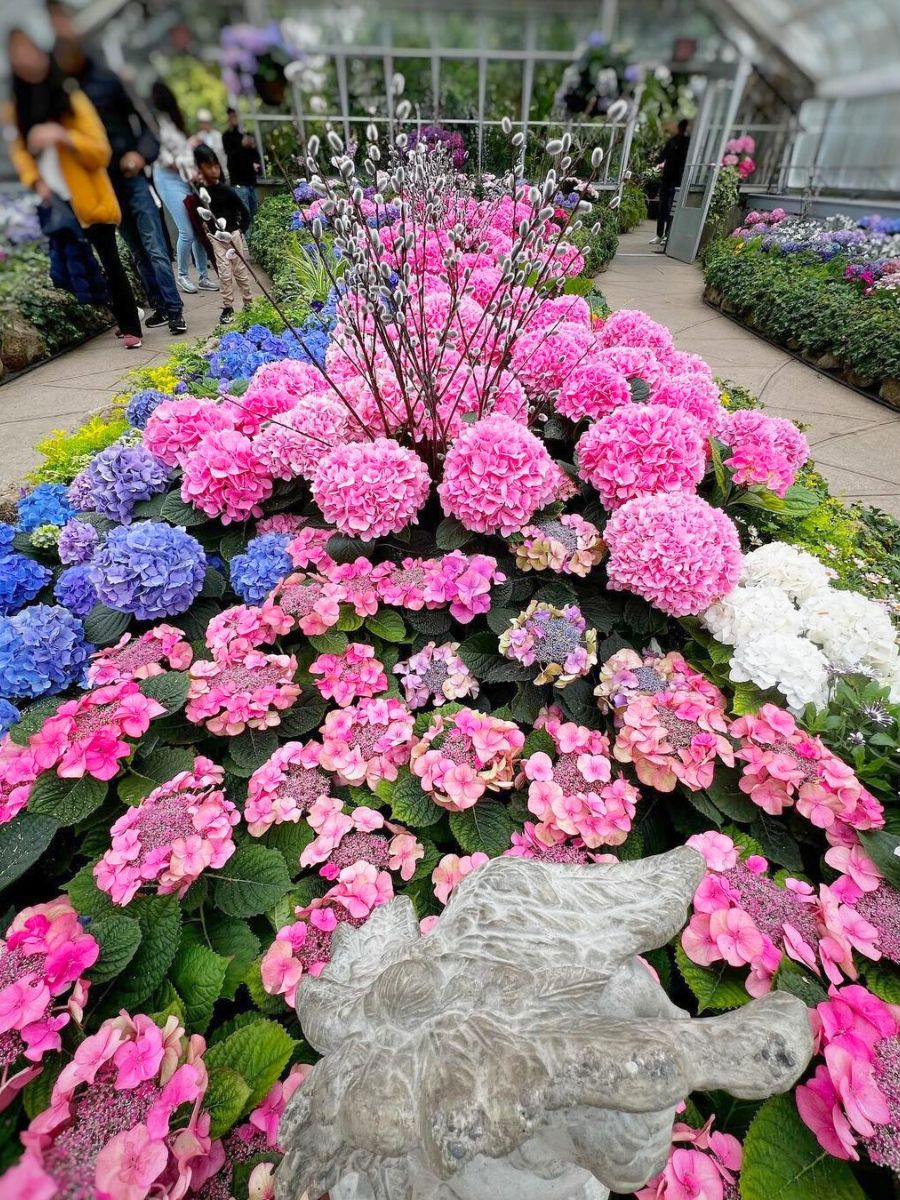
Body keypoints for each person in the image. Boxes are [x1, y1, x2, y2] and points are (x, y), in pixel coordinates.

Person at [48, 2, 186, 334]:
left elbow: (149, 126)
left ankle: (175, 309)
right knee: (136, 250)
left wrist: (140, 155)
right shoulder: (60, 90)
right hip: (101, 184)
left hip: (131, 174)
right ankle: (159, 305)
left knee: (153, 244)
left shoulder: (108, 79)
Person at [5, 27, 144, 348]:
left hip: (88, 197)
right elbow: (20, 153)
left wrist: (62, 135)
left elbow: (100, 150)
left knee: (110, 261)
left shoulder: (71, 97)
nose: (24, 59)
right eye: (16, 53)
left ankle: (131, 326)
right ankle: (117, 316)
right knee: (78, 265)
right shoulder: (17, 108)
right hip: (55, 199)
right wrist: (36, 183)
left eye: (29, 50)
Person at [149, 81, 217, 296]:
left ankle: (203, 277)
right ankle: (182, 275)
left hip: (185, 178)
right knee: (186, 231)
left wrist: (192, 168)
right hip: (168, 180)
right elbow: (162, 156)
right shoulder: (154, 124)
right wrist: (182, 165)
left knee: (198, 230)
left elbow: (184, 152)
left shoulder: (174, 125)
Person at [193, 144, 253, 324]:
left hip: (233, 234)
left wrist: (241, 229)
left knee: (240, 271)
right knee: (224, 273)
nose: (214, 170)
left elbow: (244, 211)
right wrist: (206, 226)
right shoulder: (200, 192)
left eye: (216, 166)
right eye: (209, 167)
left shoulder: (227, 190)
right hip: (216, 238)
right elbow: (199, 211)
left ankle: (248, 302)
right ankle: (228, 306)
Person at [651, 118, 691, 248]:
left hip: (677, 180)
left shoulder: (687, 143)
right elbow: (662, 156)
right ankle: (660, 234)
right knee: (663, 206)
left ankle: (666, 234)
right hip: (668, 178)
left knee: (670, 207)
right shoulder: (673, 141)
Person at [222, 107, 260, 225]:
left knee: (255, 214)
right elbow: (230, 155)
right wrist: (241, 144)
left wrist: (253, 150)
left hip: (251, 181)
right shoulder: (227, 136)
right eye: (232, 117)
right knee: (245, 216)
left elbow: (254, 156)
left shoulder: (246, 134)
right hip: (239, 182)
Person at [195, 108, 227, 178]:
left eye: (205, 122)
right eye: (201, 122)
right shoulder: (199, 136)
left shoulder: (217, 135)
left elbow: (219, 151)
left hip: (220, 169)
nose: (203, 124)